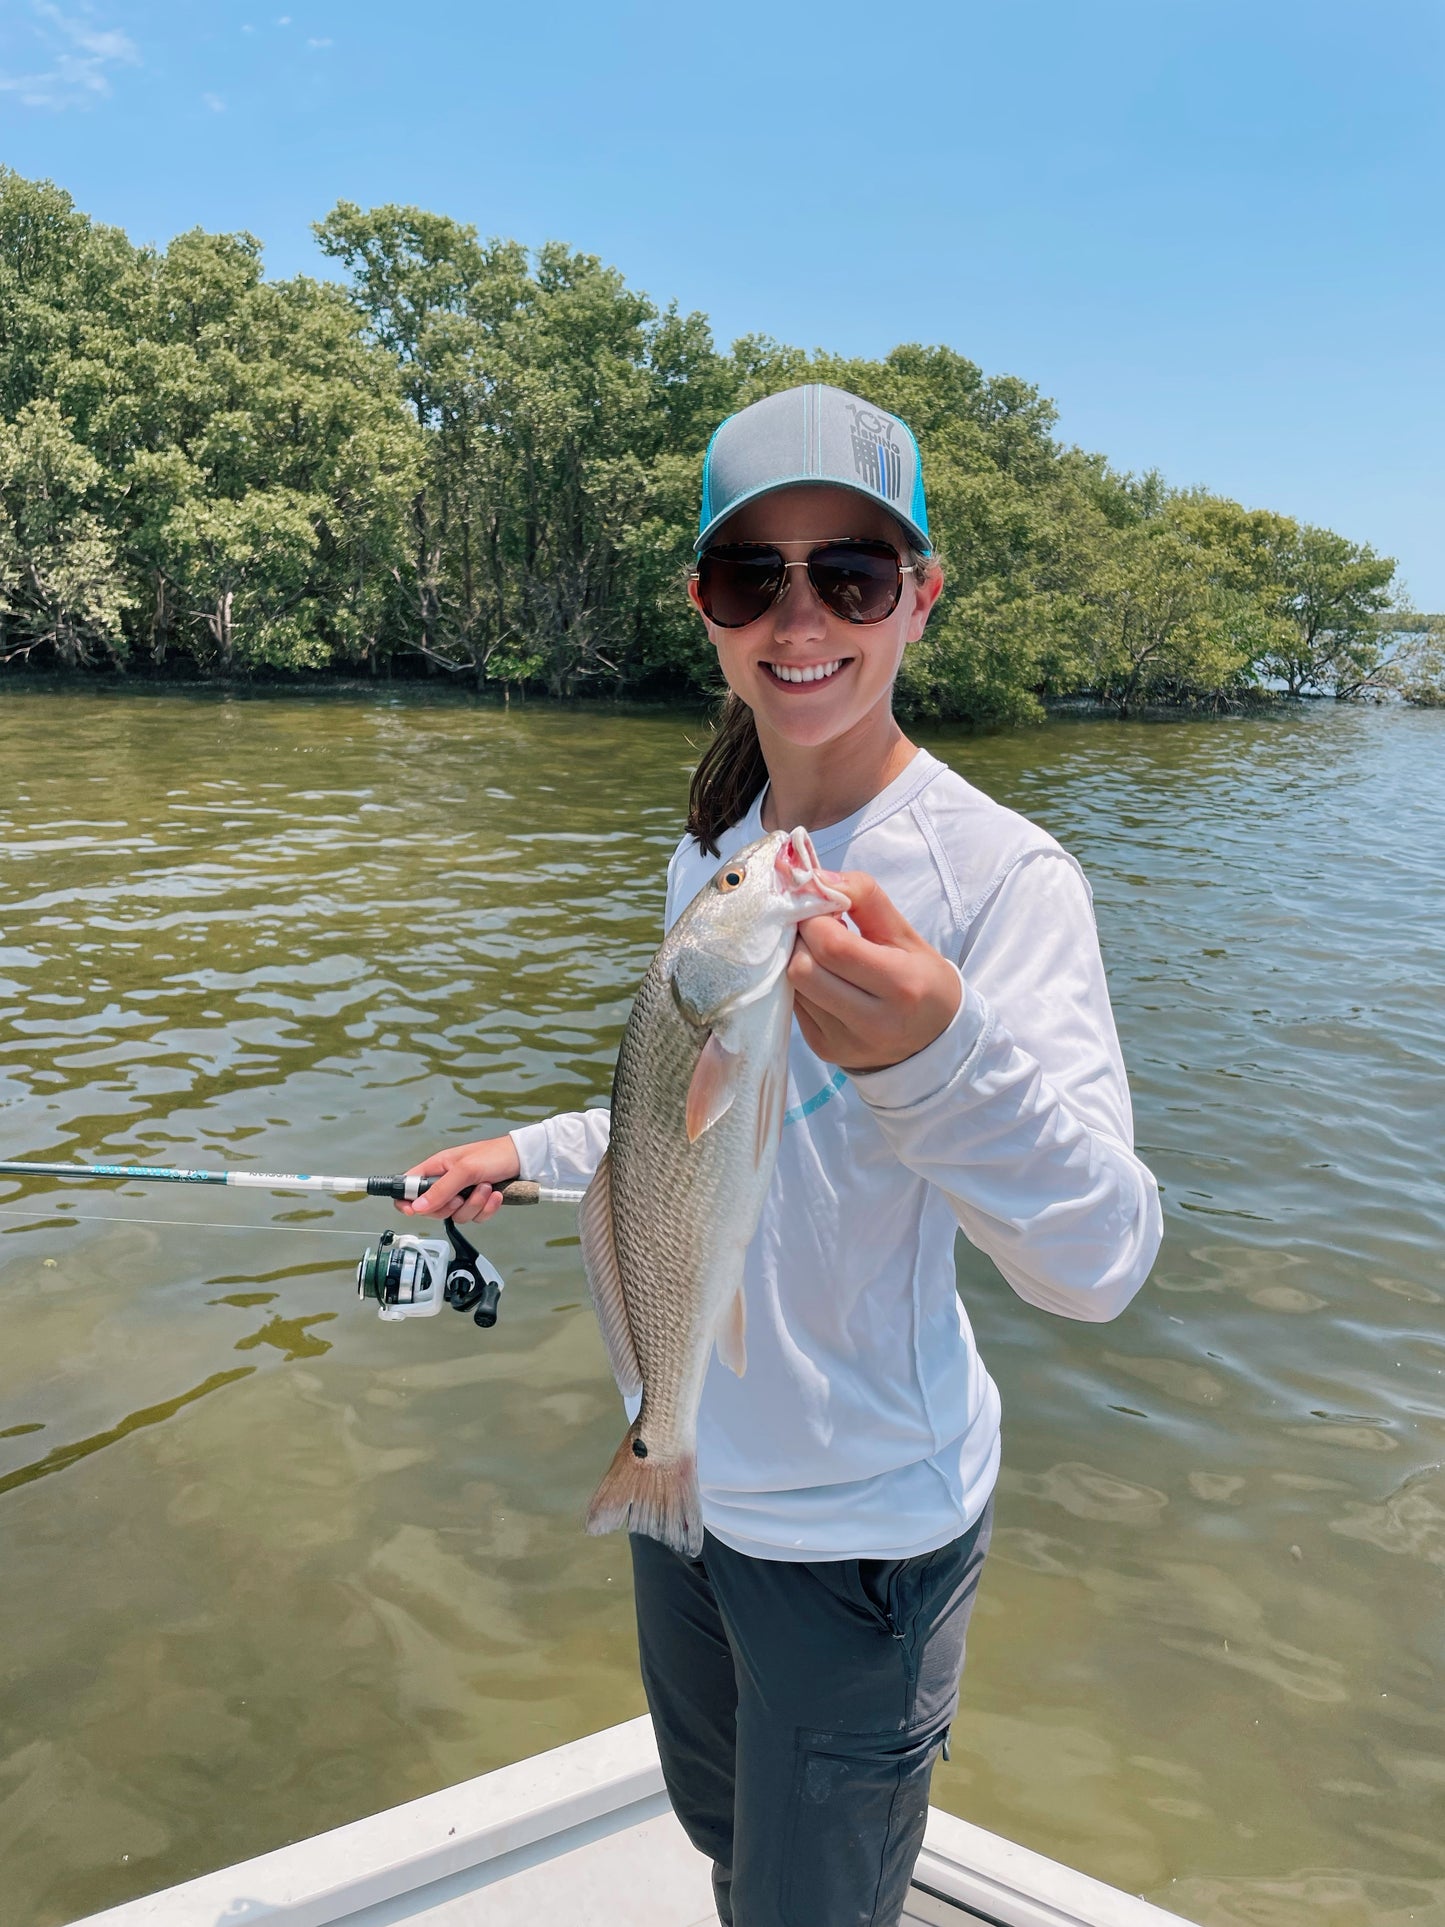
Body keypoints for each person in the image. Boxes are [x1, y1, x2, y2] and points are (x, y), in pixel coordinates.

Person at [396, 383, 1163, 1927]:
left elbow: (1099, 1266)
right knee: (720, 1836)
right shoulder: (720, 846)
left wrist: (936, 1061)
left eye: (851, 575)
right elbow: (700, 1117)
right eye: (754, 575)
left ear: (919, 601)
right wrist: (535, 1156)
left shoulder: (1004, 881)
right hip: (679, 1474)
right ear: (704, 608)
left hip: (858, 1533)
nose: (799, 615)